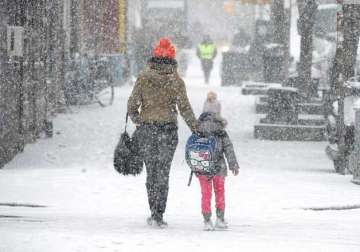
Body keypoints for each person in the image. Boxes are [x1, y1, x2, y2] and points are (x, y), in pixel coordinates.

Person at [127, 38, 198, 228]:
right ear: (172, 58)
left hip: (147, 129)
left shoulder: (143, 77)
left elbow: (132, 104)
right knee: (163, 172)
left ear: (154, 57)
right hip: (168, 130)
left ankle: (153, 210)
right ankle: (159, 213)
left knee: (152, 172)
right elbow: (185, 108)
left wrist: (137, 119)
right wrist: (196, 129)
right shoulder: (175, 80)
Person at [196, 111, 239, 230]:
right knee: (220, 192)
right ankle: (220, 219)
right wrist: (233, 164)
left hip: (203, 167)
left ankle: (207, 220)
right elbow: (228, 148)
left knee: (206, 193)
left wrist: (195, 167)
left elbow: (194, 150)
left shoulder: (199, 131)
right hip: (219, 166)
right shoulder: (221, 131)